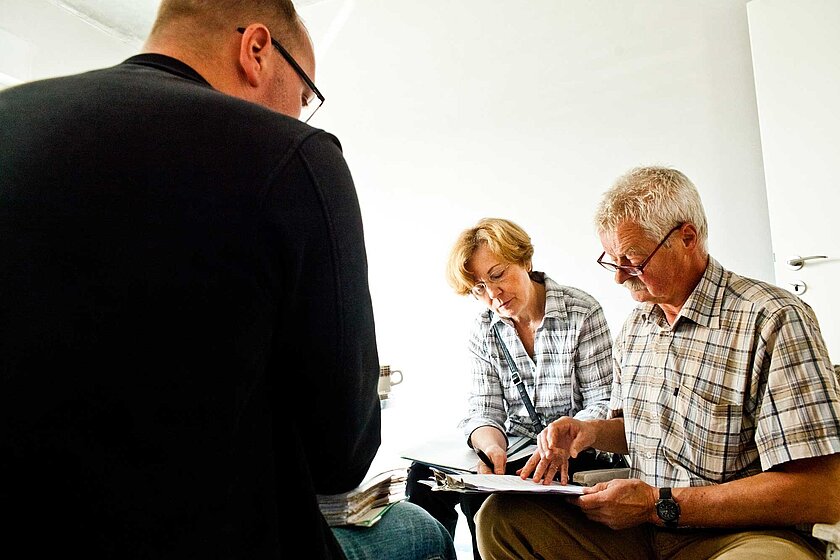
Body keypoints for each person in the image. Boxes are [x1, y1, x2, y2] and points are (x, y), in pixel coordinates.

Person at [0, 1, 453, 559]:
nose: (300, 113)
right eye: (305, 94)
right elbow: (341, 456)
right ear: (257, 50)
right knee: (421, 533)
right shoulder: (296, 157)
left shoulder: (10, 115)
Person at [476, 166, 840, 559]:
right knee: (501, 519)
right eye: (610, 260)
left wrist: (656, 503)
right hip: (646, 528)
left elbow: (821, 491)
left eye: (632, 259)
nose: (618, 278)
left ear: (687, 237)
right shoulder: (636, 327)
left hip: (741, 533)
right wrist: (590, 431)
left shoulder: (772, 319)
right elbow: (644, 431)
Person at [406, 217, 616, 559]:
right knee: (422, 478)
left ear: (525, 261)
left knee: (482, 497)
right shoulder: (484, 329)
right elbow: (484, 408)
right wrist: (490, 447)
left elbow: (604, 402)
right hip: (517, 450)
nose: (492, 294)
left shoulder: (581, 312)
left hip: (574, 451)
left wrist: (563, 437)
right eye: (479, 287)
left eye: (498, 275)